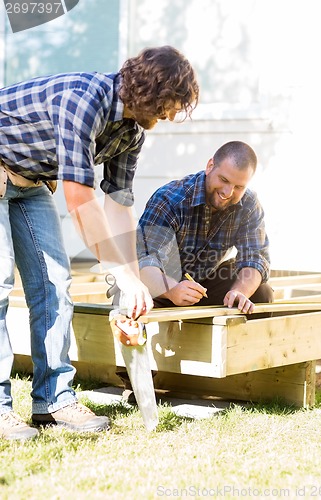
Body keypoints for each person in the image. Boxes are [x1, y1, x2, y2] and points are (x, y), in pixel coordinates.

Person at [0, 45, 199, 440]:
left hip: (30, 181)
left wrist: (131, 283)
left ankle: (53, 400)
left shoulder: (130, 132)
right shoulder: (84, 98)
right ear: (149, 89)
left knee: (55, 285)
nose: (169, 115)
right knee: (0, 283)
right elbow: (79, 202)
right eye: (167, 105)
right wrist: (120, 274)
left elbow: (120, 206)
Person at [136, 141, 273, 312]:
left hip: (201, 288)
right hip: (159, 289)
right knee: (136, 305)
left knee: (261, 292)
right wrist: (172, 290)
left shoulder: (249, 204)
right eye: (224, 180)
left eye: (238, 187)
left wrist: (240, 292)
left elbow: (255, 258)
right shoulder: (170, 199)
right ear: (210, 166)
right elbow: (144, 262)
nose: (227, 192)